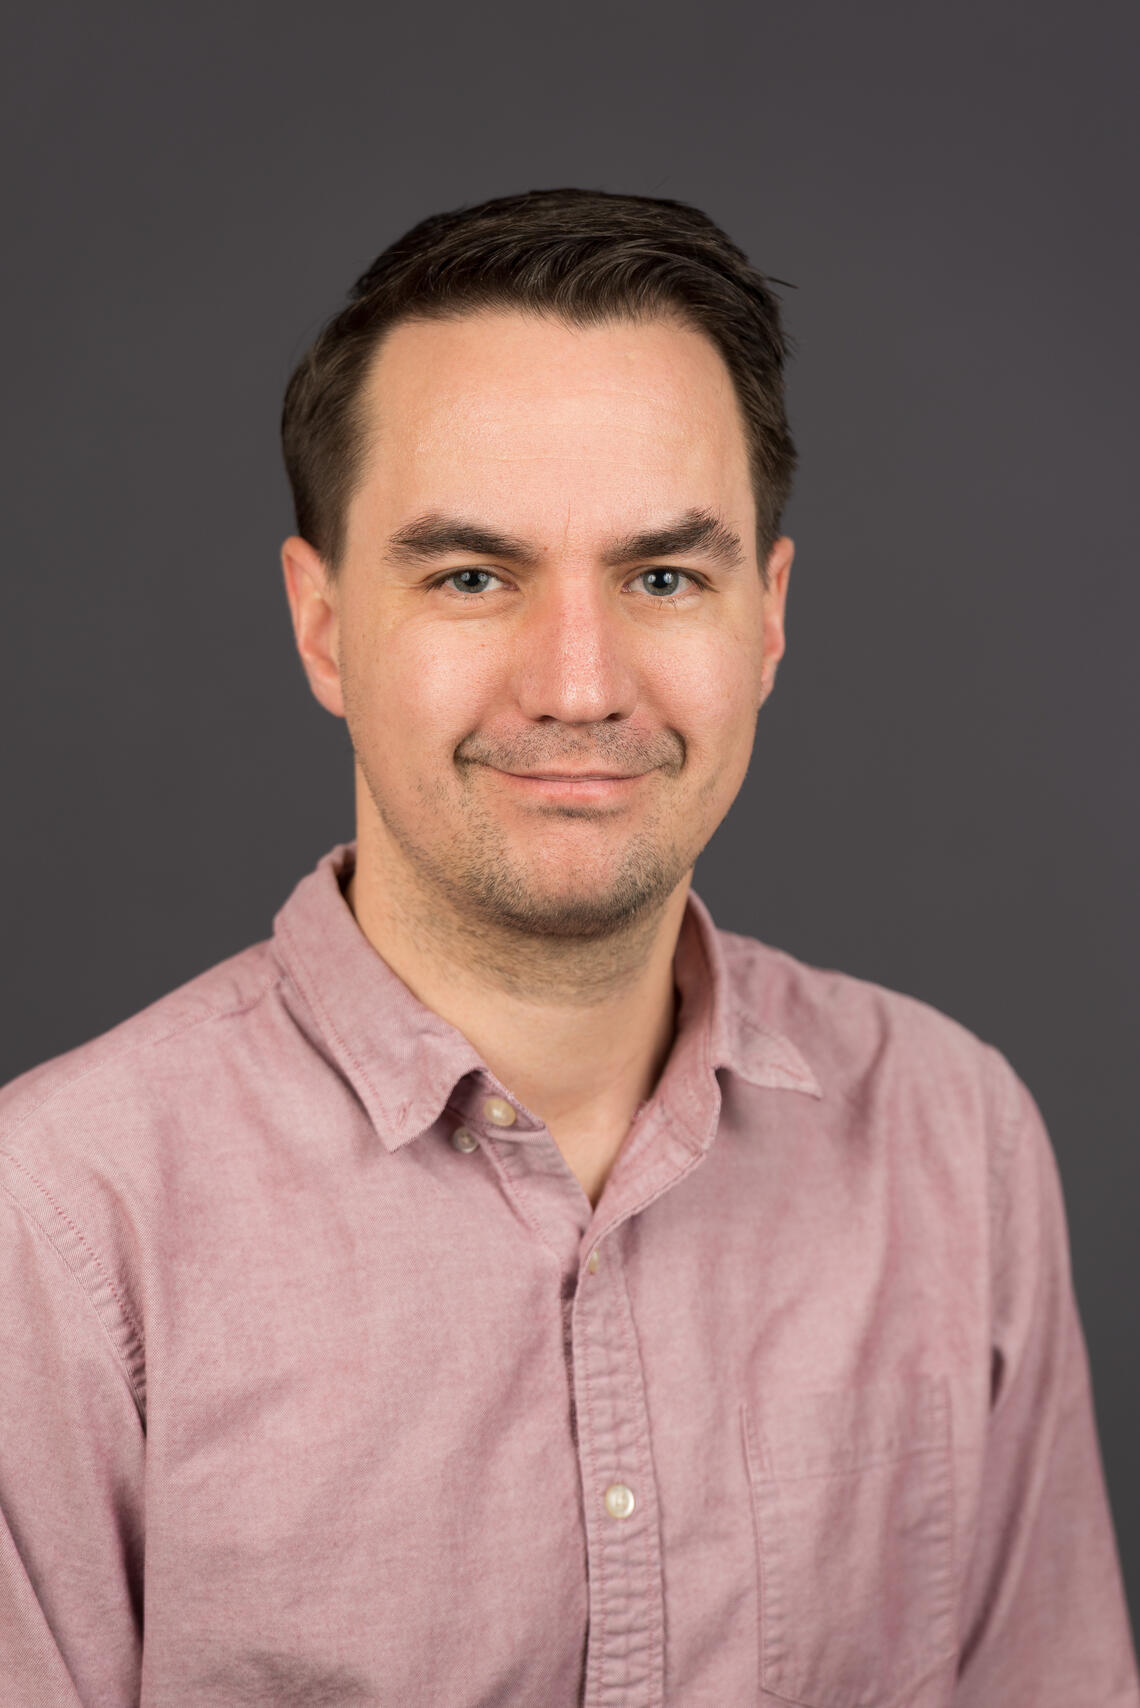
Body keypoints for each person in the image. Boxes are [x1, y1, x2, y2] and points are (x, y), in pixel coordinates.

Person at [0, 187, 1136, 1708]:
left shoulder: (955, 1141)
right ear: (324, 625)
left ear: (769, 619)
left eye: (664, 576)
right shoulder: (57, 1231)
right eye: (473, 576)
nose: (582, 682)